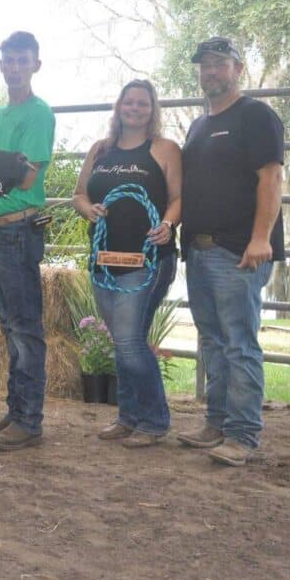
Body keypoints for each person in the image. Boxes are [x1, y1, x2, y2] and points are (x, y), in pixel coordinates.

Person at [175, 37, 285, 467]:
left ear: (238, 69)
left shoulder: (256, 116)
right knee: (213, 342)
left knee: (239, 343)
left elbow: (271, 178)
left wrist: (262, 238)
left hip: (237, 250)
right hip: (199, 251)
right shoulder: (199, 125)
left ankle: (242, 433)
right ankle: (216, 422)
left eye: (220, 63)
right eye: (205, 65)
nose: (211, 72)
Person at [73, 80, 182, 448]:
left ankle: (153, 421)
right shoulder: (100, 150)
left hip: (148, 260)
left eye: (143, 104)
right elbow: (79, 194)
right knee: (122, 342)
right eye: (129, 102)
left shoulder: (164, 149)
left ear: (153, 110)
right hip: (105, 261)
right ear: (119, 107)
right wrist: (89, 209)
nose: (135, 109)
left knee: (130, 342)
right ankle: (129, 416)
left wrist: (167, 225)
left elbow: (178, 198)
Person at [0, 31, 55, 451]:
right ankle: (17, 410)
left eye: (22, 60)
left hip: (17, 230)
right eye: (8, 61)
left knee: (24, 329)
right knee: (11, 327)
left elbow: (27, 177)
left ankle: (28, 420)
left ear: (35, 65)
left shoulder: (38, 114)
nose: (15, 68)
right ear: (2, 65)